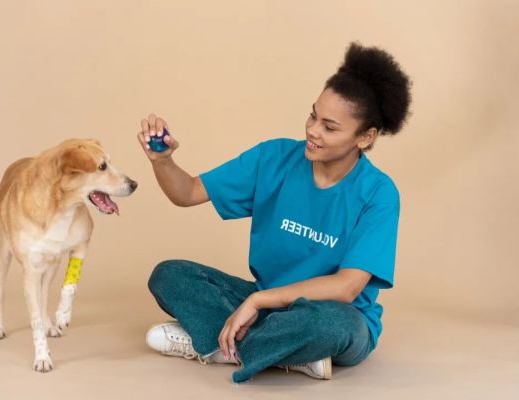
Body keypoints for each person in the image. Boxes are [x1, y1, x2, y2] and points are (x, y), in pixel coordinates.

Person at [138, 42, 412, 383]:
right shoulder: (274, 158)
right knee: (169, 275)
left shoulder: (378, 193)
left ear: (365, 137)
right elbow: (188, 192)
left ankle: (215, 343)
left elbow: (346, 288)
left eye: (330, 127)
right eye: (313, 115)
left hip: (333, 315)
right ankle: (283, 353)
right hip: (267, 306)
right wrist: (163, 161)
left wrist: (259, 300)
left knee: (332, 325)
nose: (312, 130)